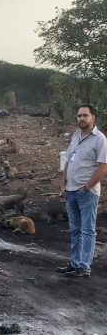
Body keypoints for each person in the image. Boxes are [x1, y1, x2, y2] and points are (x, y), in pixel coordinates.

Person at [56, 104, 107, 277]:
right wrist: (63, 185)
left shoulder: (100, 139)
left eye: (85, 115)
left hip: (87, 193)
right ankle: (74, 263)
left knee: (87, 230)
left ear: (93, 118)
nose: (81, 119)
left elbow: (103, 167)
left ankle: (84, 267)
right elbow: (68, 162)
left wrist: (87, 186)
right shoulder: (76, 136)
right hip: (71, 191)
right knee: (75, 229)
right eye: (79, 116)